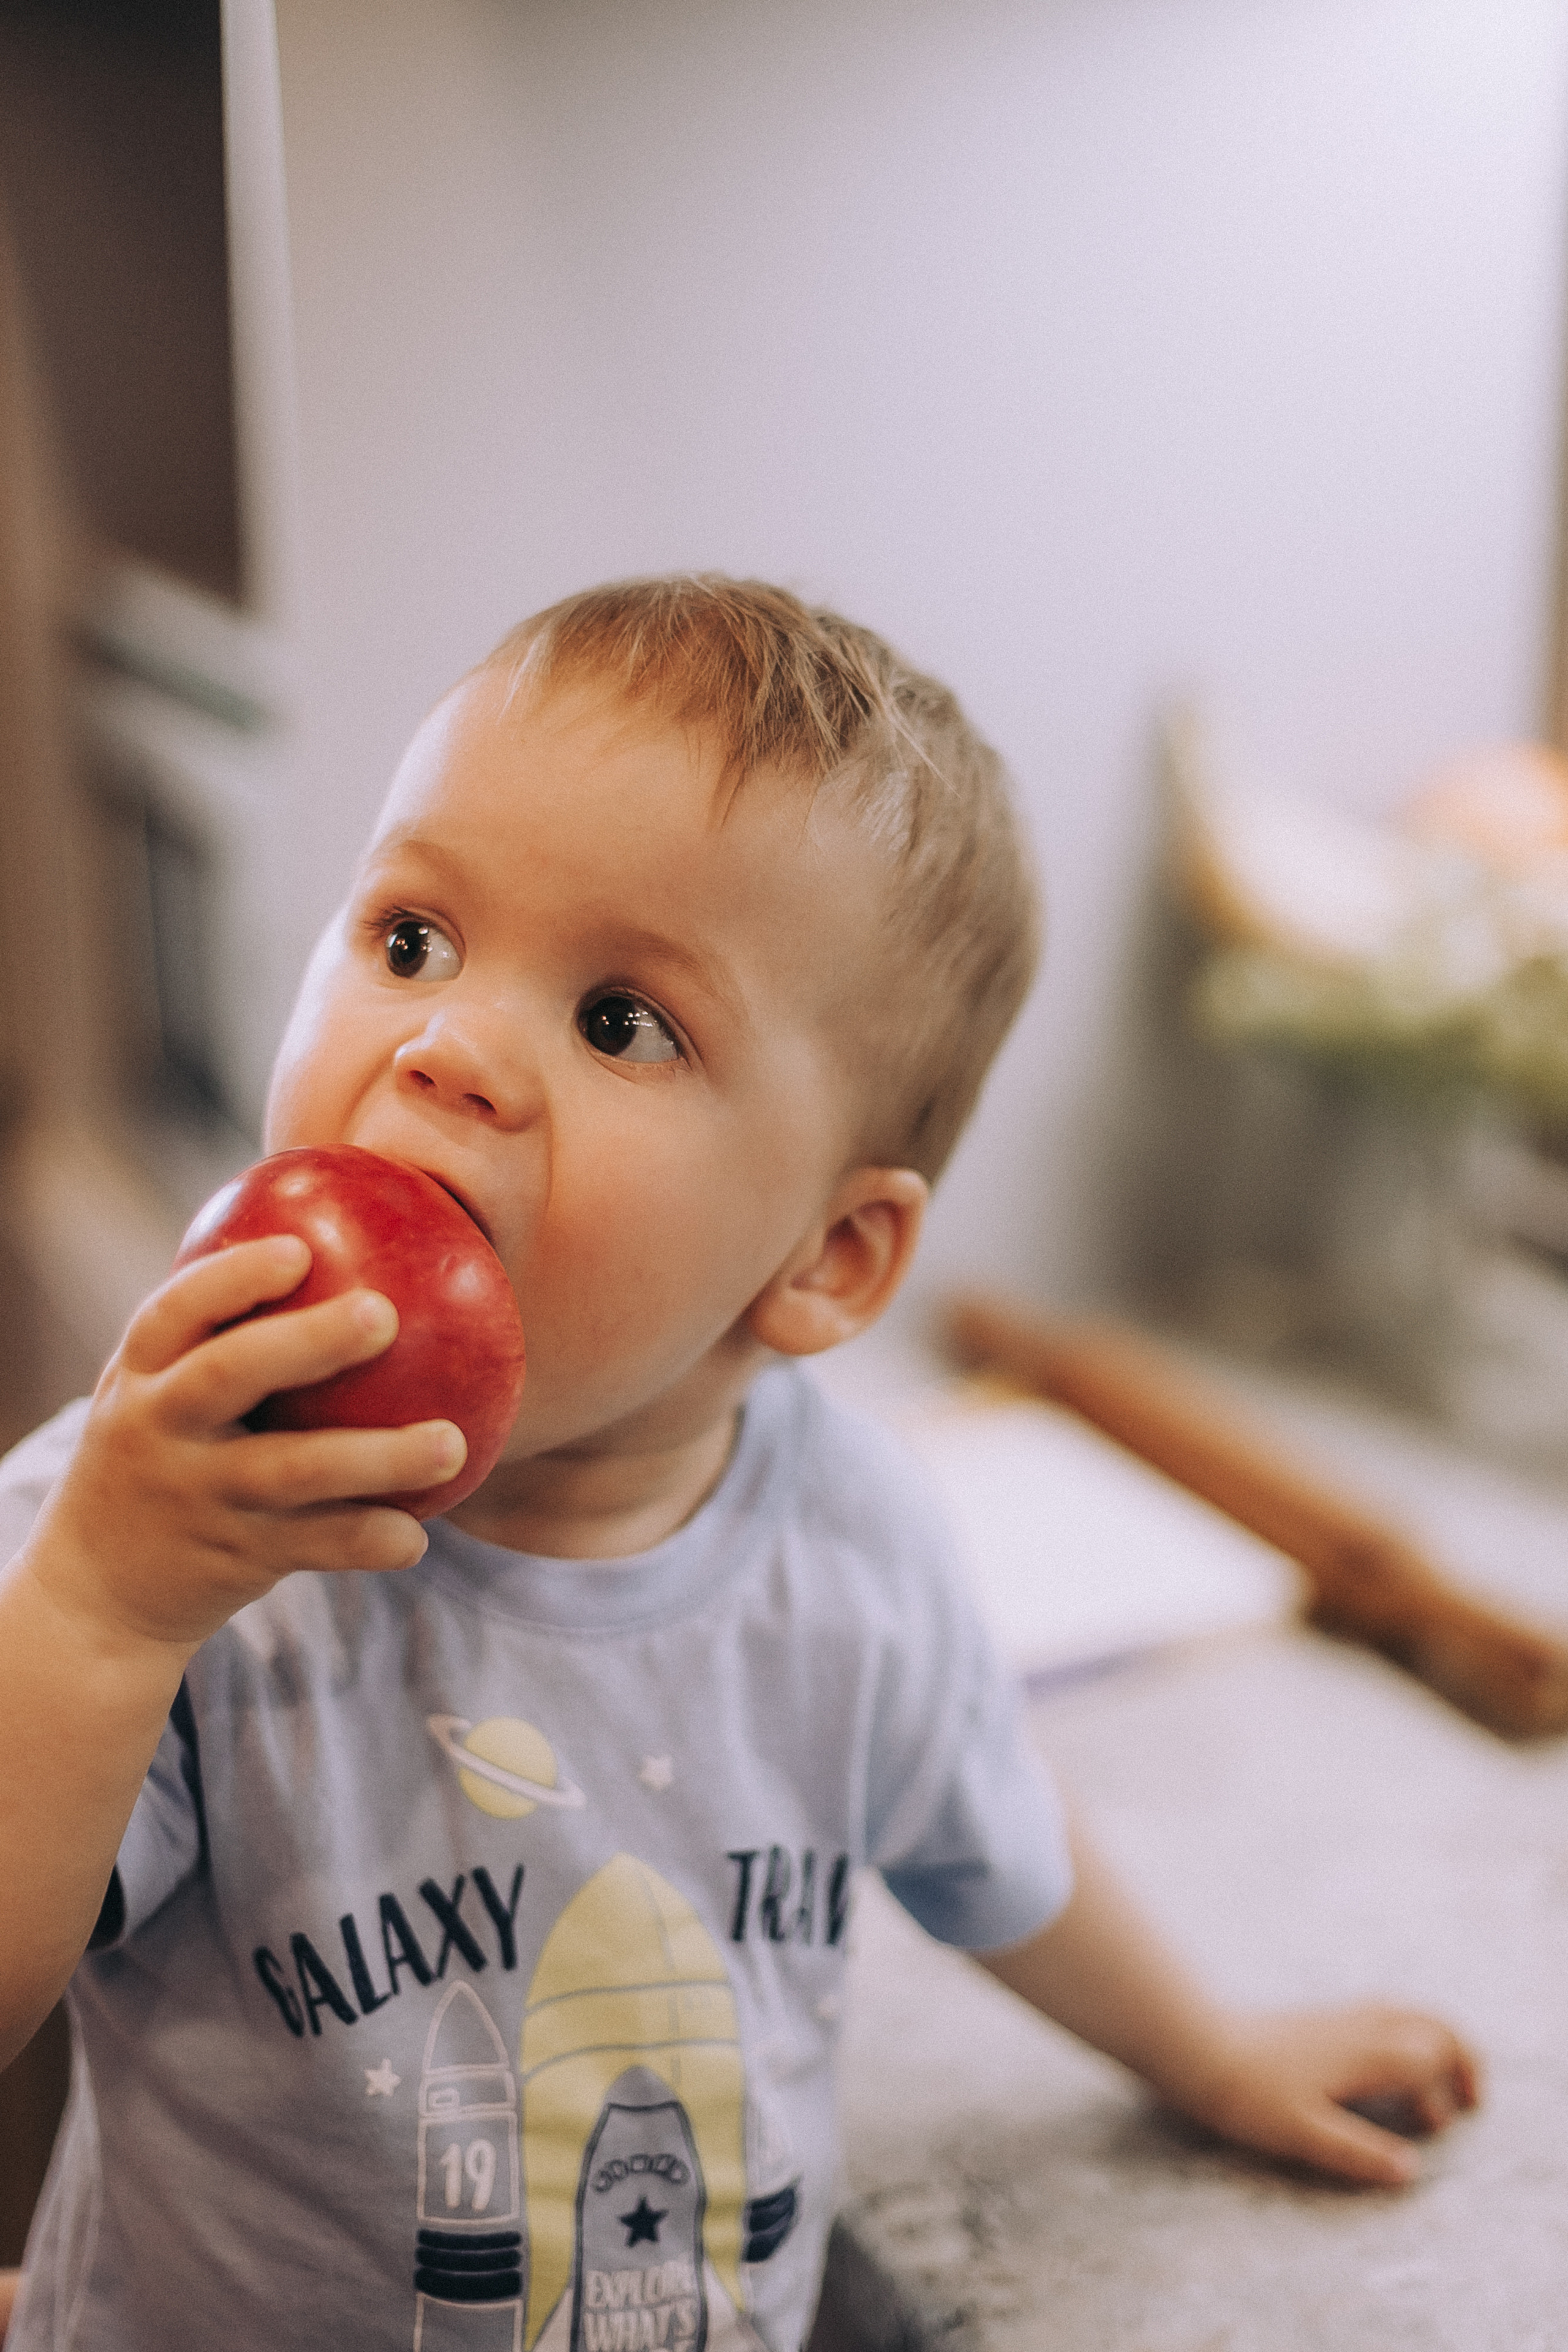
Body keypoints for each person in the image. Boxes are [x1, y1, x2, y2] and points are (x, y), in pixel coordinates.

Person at [0, 578, 1477, 2352]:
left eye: (624, 1020)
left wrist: (1214, 2051)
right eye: (410, 935)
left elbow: (996, 1837)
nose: (452, 1047)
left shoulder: (849, 1547)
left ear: (827, 1260)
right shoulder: (155, 1522)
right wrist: (98, 1614)